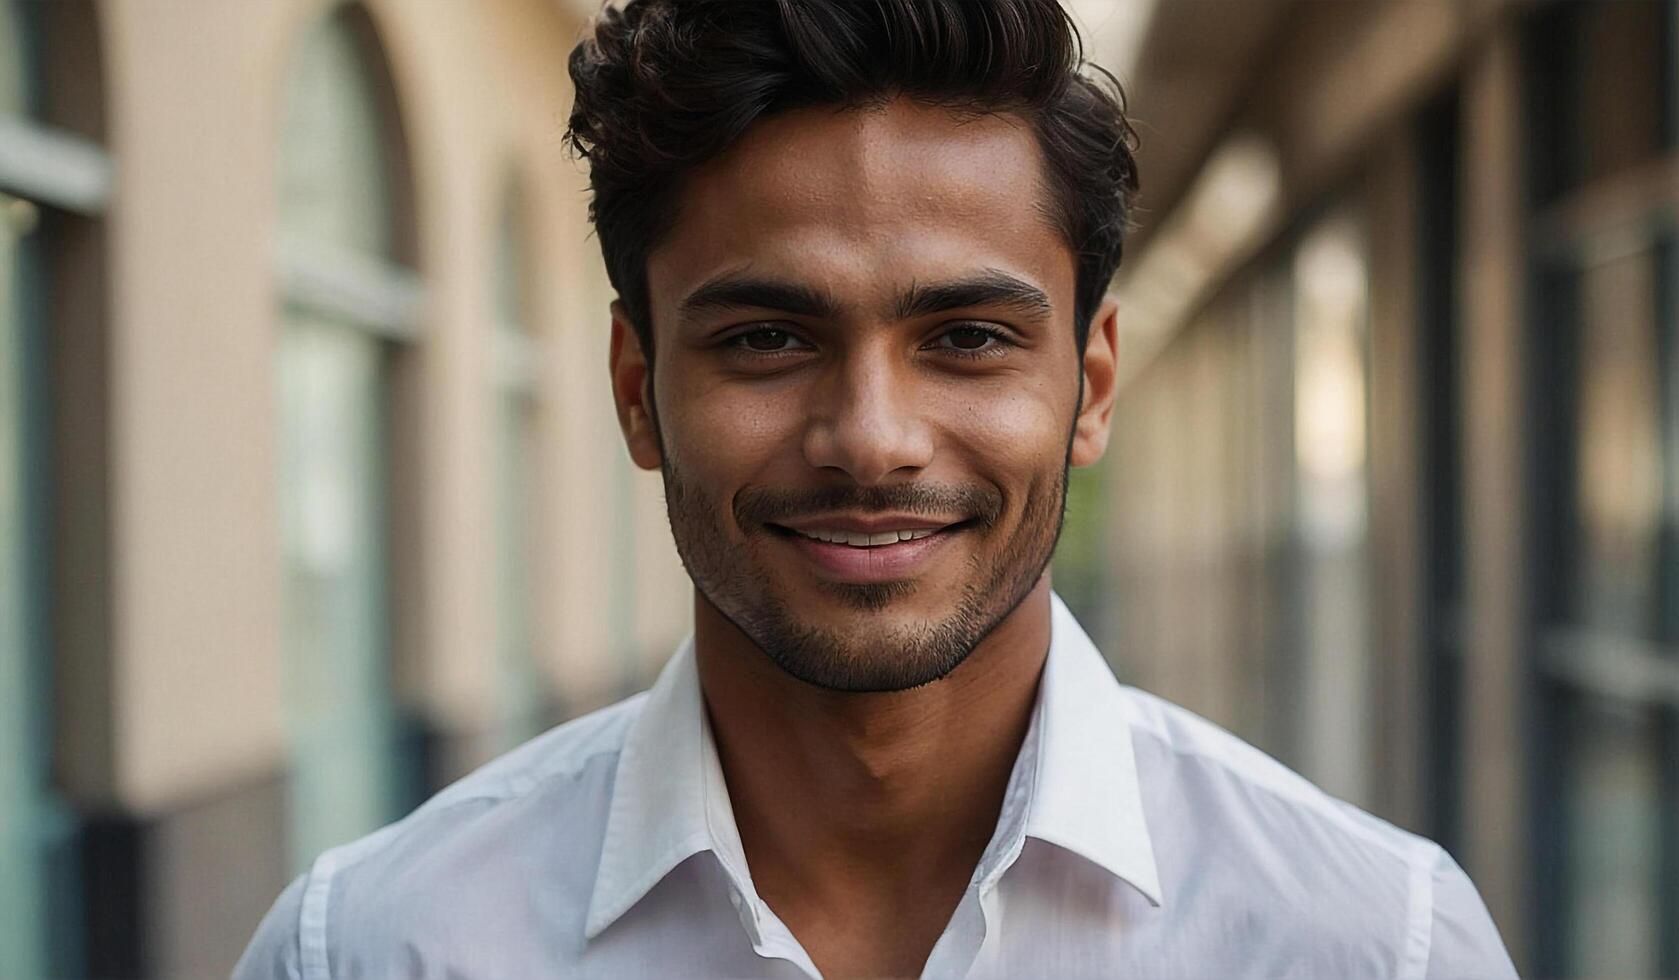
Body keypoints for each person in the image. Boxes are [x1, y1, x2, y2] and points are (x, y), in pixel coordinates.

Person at [236, 1, 1518, 977]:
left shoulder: (1371, 944)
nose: (870, 438)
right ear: (636, 388)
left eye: (965, 337)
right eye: (764, 338)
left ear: (1094, 384)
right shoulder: (373, 948)